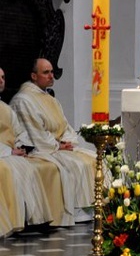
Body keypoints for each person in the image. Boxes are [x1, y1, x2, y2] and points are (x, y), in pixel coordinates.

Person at [10, 58, 98, 224]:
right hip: (41, 149)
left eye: (51, 72)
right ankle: (78, 210)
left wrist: (66, 142)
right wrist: (58, 146)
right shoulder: (24, 100)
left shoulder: (50, 98)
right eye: (46, 72)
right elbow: (34, 133)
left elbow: (65, 126)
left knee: (94, 159)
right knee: (77, 165)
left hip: (57, 146)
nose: (51, 76)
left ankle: (94, 208)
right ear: (33, 76)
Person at [0, 67, 57, 233]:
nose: (1, 80)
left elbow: (19, 131)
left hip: (11, 152)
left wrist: (21, 146)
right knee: (11, 169)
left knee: (28, 166)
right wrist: (9, 152)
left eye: (3, 77)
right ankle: (19, 220)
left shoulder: (5, 108)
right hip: (4, 154)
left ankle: (33, 218)